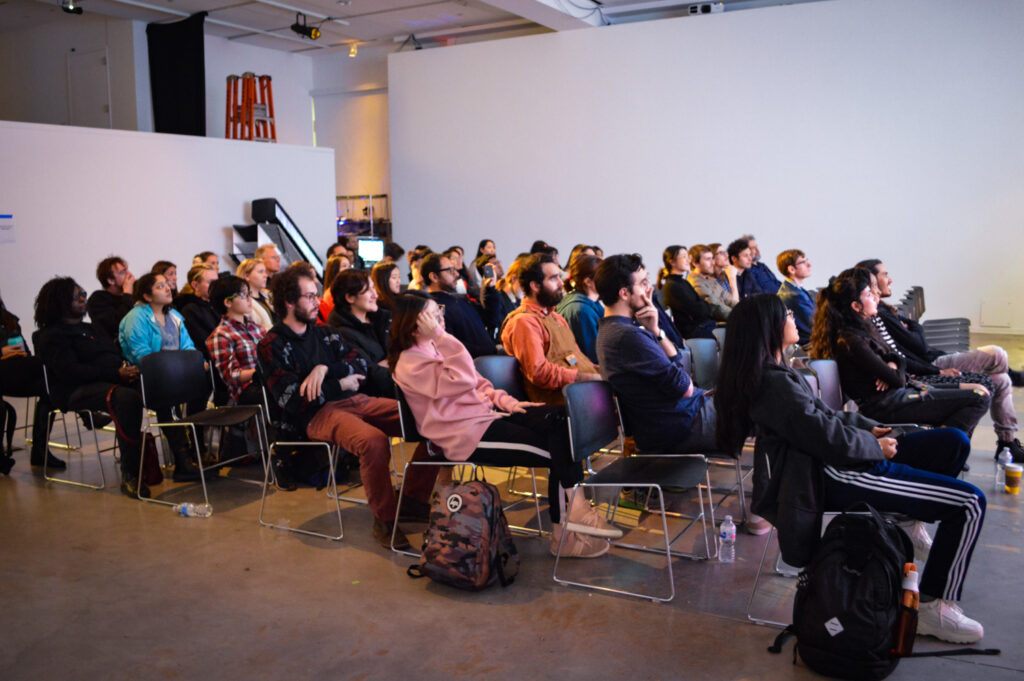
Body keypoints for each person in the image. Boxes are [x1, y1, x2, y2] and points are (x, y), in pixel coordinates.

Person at [715, 293, 987, 644]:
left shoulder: (779, 372)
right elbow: (826, 438)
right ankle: (934, 607)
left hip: (835, 457)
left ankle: (907, 522)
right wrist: (875, 447)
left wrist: (868, 428)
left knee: (952, 442)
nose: (793, 317)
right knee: (969, 504)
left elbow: (824, 418)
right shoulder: (773, 383)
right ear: (767, 328)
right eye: (785, 314)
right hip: (829, 474)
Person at [389, 291, 619, 558]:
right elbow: (463, 381)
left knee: (561, 421)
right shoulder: (409, 361)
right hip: (465, 435)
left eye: (439, 312)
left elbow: (479, 384)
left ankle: (573, 517)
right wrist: (443, 338)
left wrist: (508, 403)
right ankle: (567, 528)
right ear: (415, 322)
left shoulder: (438, 346)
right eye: (433, 314)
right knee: (563, 450)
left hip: (489, 416)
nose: (440, 318)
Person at [256, 267, 436, 549]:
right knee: (373, 441)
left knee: (430, 420)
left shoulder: (325, 332)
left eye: (316, 295)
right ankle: (385, 520)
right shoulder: (272, 344)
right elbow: (293, 399)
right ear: (289, 302)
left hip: (355, 401)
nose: (317, 301)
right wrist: (340, 384)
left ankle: (413, 499)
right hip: (315, 415)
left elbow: (360, 365)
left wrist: (323, 368)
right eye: (310, 296)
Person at [858, 258, 1024, 462]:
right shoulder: (872, 322)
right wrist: (897, 365)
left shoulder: (882, 312)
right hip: (925, 369)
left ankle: (1006, 443)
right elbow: (915, 346)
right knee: (996, 357)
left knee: (1001, 381)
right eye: (881, 278)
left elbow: (904, 348)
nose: (889, 280)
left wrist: (896, 360)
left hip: (924, 364)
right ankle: (946, 447)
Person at [808, 268, 989, 436]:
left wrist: (892, 364)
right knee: (978, 397)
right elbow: (898, 379)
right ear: (856, 306)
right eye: (869, 294)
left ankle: (943, 443)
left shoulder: (863, 329)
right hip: (889, 405)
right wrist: (892, 368)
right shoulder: (851, 340)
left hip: (902, 393)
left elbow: (897, 359)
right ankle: (942, 443)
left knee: (981, 390)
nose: (875, 297)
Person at [34, 277, 148, 497]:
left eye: (83, 293)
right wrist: (115, 373)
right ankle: (131, 473)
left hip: (109, 380)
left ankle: (184, 456)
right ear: (60, 302)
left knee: (155, 384)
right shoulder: (51, 335)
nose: (82, 298)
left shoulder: (91, 328)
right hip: (73, 391)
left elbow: (112, 355)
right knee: (126, 398)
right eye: (76, 296)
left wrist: (125, 369)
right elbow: (70, 372)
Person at [595, 254, 716, 454]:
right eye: (643, 283)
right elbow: (685, 386)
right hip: (683, 424)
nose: (649, 290)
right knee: (767, 409)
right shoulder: (626, 337)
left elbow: (680, 366)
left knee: (766, 404)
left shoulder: (619, 330)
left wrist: (657, 332)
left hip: (687, 414)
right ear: (624, 293)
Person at [118, 273, 202, 482]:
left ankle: (197, 451)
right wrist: (170, 369)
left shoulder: (174, 315)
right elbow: (141, 354)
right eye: (160, 286)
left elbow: (188, 346)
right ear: (147, 296)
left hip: (176, 375)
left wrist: (192, 364)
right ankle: (184, 459)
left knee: (203, 384)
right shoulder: (136, 317)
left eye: (167, 285)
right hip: (146, 378)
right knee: (168, 399)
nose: (168, 289)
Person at [501, 254, 601, 405]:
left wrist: (601, 372)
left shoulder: (557, 318)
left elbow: (578, 359)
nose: (561, 283)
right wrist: (587, 378)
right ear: (535, 286)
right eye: (554, 278)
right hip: (565, 404)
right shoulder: (523, 321)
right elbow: (539, 373)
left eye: (559, 277)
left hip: (584, 392)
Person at [0, 290, 61, 472]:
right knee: (47, 366)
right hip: (5, 372)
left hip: (15, 370)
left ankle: (40, 450)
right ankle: (84, 415)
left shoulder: (9, 319)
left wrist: (21, 353)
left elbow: (22, 348)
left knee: (51, 388)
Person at [327, 270, 393, 397]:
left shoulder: (382, 318)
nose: (376, 294)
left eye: (374, 287)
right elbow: (369, 374)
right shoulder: (341, 333)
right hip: (377, 395)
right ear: (350, 297)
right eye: (368, 290)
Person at [421, 252, 497, 358]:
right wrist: (487, 350)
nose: (456, 274)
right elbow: (450, 345)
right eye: (450, 271)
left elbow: (491, 319)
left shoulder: (459, 298)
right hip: (469, 366)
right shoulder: (433, 308)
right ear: (434, 277)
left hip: (486, 361)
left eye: (455, 270)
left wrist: (490, 289)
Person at [206, 277, 265, 406]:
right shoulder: (220, 335)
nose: (250, 300)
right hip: (245, 393)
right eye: (244, 295)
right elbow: (231, 376)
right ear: (227, 302)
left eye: (249, 294)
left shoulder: (256, 328)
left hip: (264, 382)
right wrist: (260, 371)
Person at [659, 245, 716, 340]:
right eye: (683, 257)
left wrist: (704, 305)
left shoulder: (683, 282)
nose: (688, 260)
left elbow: (703, 307)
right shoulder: (672, 286)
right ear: (672, 262)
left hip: (701, 327)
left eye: (688, 257)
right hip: (693, 333)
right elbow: (699, 311)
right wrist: (704, 305)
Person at [555, 254, 603, 365]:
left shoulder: (590, 304)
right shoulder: (581, 310)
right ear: (588, 282)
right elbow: (592, 357)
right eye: (604, 276)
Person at [87, 256, 135, 342]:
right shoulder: (98, 299)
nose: (130, 274)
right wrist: (127, 294)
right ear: (110, 280)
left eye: (127, 270)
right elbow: (118, 324)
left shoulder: (133, 296)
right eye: (123, 272)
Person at [776, 248, 816, 346]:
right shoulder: (794, 296)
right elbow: (815, 326)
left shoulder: (794, 289)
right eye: (803, 262)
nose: (809, 265)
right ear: (791, 269)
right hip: (809, 346)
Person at [687, 245, 733, 320]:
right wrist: (741, 315)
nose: (713, 263)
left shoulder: (709, 279)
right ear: (695, 263)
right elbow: (717, 308)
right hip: (716, 327)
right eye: (708, 259)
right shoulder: (696, 283)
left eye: (712, 259)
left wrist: (744, 309)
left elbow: (728, 298)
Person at [236, 258, 274, 331]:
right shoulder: (242, 302)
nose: (265, 275)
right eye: (260, 272)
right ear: (247, 276)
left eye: (265, 272)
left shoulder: (268, 296)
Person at [318, 254, 352, 321]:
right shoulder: (331, 294)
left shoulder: (346, 289)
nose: (349, 269)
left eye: (349, 266)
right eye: (344, 266)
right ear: (334, 270)